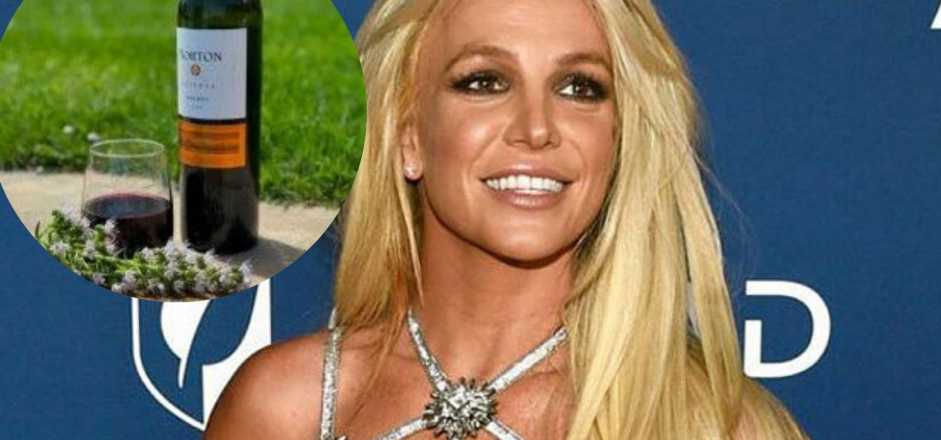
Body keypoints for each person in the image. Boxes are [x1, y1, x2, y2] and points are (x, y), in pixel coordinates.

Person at [205, 0, 809, 438]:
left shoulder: (713, 424)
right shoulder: (285, 409)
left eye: (579, 88)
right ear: (408, 135)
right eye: (485, 82)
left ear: (618, 141)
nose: (537, 128)